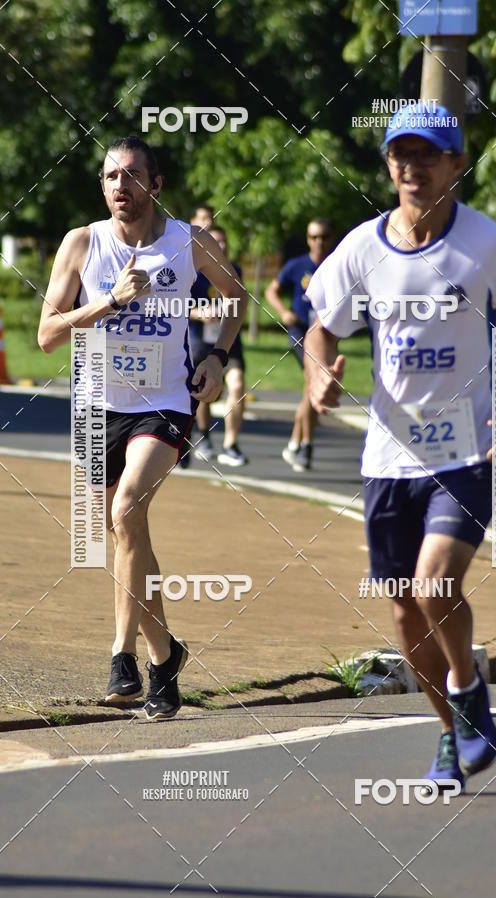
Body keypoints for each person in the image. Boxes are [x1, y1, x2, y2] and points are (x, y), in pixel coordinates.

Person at [304, 103, 496, 791]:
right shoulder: (362, 248)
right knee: (402, 609)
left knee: (434, 584)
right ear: (388, 164)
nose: (412, 167)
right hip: (388, 458)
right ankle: (451, 733)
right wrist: (317, 374)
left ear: (457, 164)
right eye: (401, 154)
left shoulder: (488, 244)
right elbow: (320, 326)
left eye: (428, 154)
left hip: (469, 449)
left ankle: (468, 686)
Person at [38, 136, 247, 719]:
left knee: (126, 509)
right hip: (95, 407)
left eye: (131, 176)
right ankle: (165, 656)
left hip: (164, 403)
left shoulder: (189, 242)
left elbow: (235, 296)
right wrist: (110, 300)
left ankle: (121, 655)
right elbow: (48, 335)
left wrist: (217, 357)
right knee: (127, 535)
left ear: (155, 185)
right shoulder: (82, 243)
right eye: (110, 177)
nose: (119, 187)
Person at [265, 218, 336, 471]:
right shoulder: (297, 265)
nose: (319, 242)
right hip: (300, 332)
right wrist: (284, 312)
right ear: (307, 239)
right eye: (314, 237)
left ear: (332, 237)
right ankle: (305, 445)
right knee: (313, 382)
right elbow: (271, 291)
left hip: (326, 333)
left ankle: (296, 443)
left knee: (312, 388)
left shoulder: (337, 264)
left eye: (324, 236)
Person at [189, 225, 249, 466]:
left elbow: (239, 299)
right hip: (200, 339)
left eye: (224, 242)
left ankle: (231, 444)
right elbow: (175, 306)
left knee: (237, 385)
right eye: (216, 241)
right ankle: (204, 437)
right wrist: (199, 313)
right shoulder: (192, 271)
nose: (220, 246)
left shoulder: (235, 270)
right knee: (204, 389)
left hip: (228, 341)